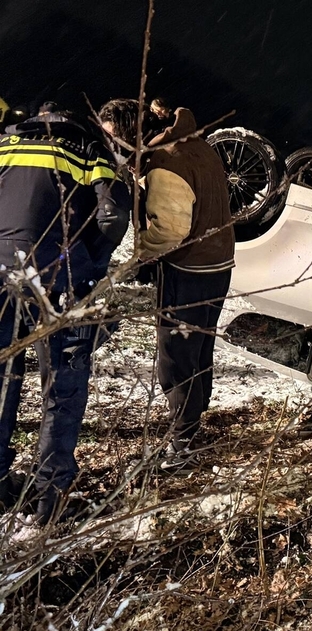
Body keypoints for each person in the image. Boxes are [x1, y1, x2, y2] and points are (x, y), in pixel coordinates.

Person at [0, 103, 130, 524]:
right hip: (57, 276)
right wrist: (88, 268)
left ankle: (0, 481)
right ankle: (49, 499)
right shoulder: (90, 146)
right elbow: (112, 216)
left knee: (3, 377)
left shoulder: (7, 141)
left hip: (2, 270)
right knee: (62, 384)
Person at [98, 99, 234, 469]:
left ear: (130, 133)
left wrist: (140, 255)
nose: (111, 146)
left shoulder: (167, 161)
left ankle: (183, 443)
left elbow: (171, 230)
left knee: (176, 359)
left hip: (190, 271)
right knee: (199, 349)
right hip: (217, 264)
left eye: (113, 138)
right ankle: (193, 426)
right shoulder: (193, 143)